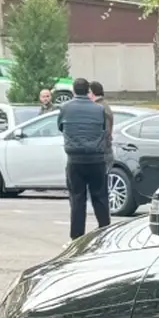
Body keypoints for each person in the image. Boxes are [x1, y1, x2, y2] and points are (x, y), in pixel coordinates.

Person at [60, 76, 111, 238]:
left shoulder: (65, 108)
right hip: (96, 158)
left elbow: (61, 126)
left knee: (77, 198)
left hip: (75, 159)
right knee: (100, 196)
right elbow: (104, 129)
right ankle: (105, 231)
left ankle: (77, 235)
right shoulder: (99, 109)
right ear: (88, 91)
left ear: (74, 91)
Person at [88, 79, 113, 153]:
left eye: (87, 92)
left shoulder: (100, 108)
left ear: (92, 93)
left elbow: (106, 131)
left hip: (101, 151)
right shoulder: (101, 105)